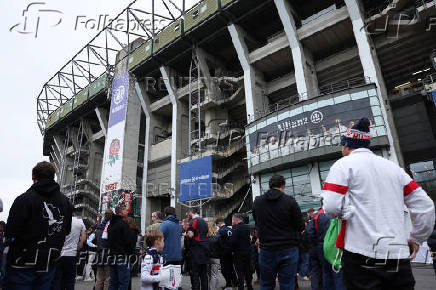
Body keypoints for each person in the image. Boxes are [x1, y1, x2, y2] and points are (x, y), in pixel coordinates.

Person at [322, 117, 435, 290]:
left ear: (346, 145)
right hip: (397, 252)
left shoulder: (343, 165)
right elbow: (425, 206)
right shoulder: (394, 169)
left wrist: (347, 212)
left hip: (360, 253)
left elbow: (330, 207)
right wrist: (417, 238)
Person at [4, 161, 72, 289]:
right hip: (49, 262)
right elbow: (66, 230)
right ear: (53, 177)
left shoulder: (24, 199)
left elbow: (11, 231)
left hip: (22, 262)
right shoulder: (66, 203)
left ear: (33, 176)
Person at [253, 174, 304, 290]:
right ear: (283, 186)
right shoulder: (290, 201)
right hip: (288, 247)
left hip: (266, 248)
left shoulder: (258, 201)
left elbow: (257, 221)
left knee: (266, 284)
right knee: (287, 285)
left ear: (270, 185)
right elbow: (300, 226)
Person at [307, 201, 345, 290]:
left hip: (321, 246)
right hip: (337, 246)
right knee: (338, 271)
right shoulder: (337, 213)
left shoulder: (317, 215)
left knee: (326, 272)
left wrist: (315, 244)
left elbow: (310, 232)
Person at [52, 214, 87, 290]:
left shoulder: (60, 220)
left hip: (59, 254)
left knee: (57, 280)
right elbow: (83, 238)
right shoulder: (79, 221)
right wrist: (78, 247)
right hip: (71, 254)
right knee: (70, 281)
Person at [107, 204, 137, 290]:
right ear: (121, 212)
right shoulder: (123, 225)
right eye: (125, 210)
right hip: (122, 257)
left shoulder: (110, 225)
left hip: (112, 256)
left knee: (113, 282)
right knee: (123, 283)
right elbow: (128, 241)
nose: (127, 211)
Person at [186, 208, 209, 290]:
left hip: (195, 251)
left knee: (195, 274)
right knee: (204, 274)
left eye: (187, 213)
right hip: (205, 250)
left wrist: (185, 235)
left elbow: (190, 235)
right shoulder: (204, 222)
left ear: (191, 213)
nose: (187, 215)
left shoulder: (192, 221)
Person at [228, 213, 253, 290]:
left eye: (232, 219)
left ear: (236, 219)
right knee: (248, 272)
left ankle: (241, 288)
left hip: (238, 254)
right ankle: (250, 287)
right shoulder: (247, 227)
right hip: (248, 253)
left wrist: (230, 250)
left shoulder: (235, 228)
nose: (232, 221)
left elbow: (232, 241)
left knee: (240, 273)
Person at [216, 218, 238, 289]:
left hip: (224, 253)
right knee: (231, 268)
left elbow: (218, 242)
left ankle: (229, 284)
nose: (218, 226)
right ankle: (235, 283)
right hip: (231, 252)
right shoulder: (230, 229)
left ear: (219, 223)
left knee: (224, 270)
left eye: (217, 224)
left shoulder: (220, 231)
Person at [95, 209, 113, 290]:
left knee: (99, 278)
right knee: (107, 279)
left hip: (99, 255)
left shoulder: (98, 229)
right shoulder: (110, 228)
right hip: (107, 254)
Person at [207, 221, 222, 290]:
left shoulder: (205, 237)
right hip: (216, 258)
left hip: (208, 257)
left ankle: (213, 287)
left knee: (209, 274)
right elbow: (221, 247)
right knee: (214, 274)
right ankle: (213, 288)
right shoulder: (218, 237)